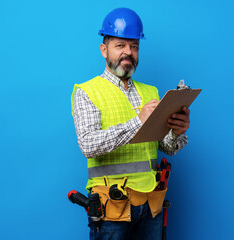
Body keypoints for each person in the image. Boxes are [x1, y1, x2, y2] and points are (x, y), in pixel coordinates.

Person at [71, 8, 190, 240]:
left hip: (151, 204)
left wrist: (177, 131)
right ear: (104, 50)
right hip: (111, 208)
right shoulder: (87, 92)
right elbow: (88, 145)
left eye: (134, 46)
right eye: (120, 46)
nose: (129, 52)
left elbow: (167, 148)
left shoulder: (151, 92)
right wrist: (138, 122)